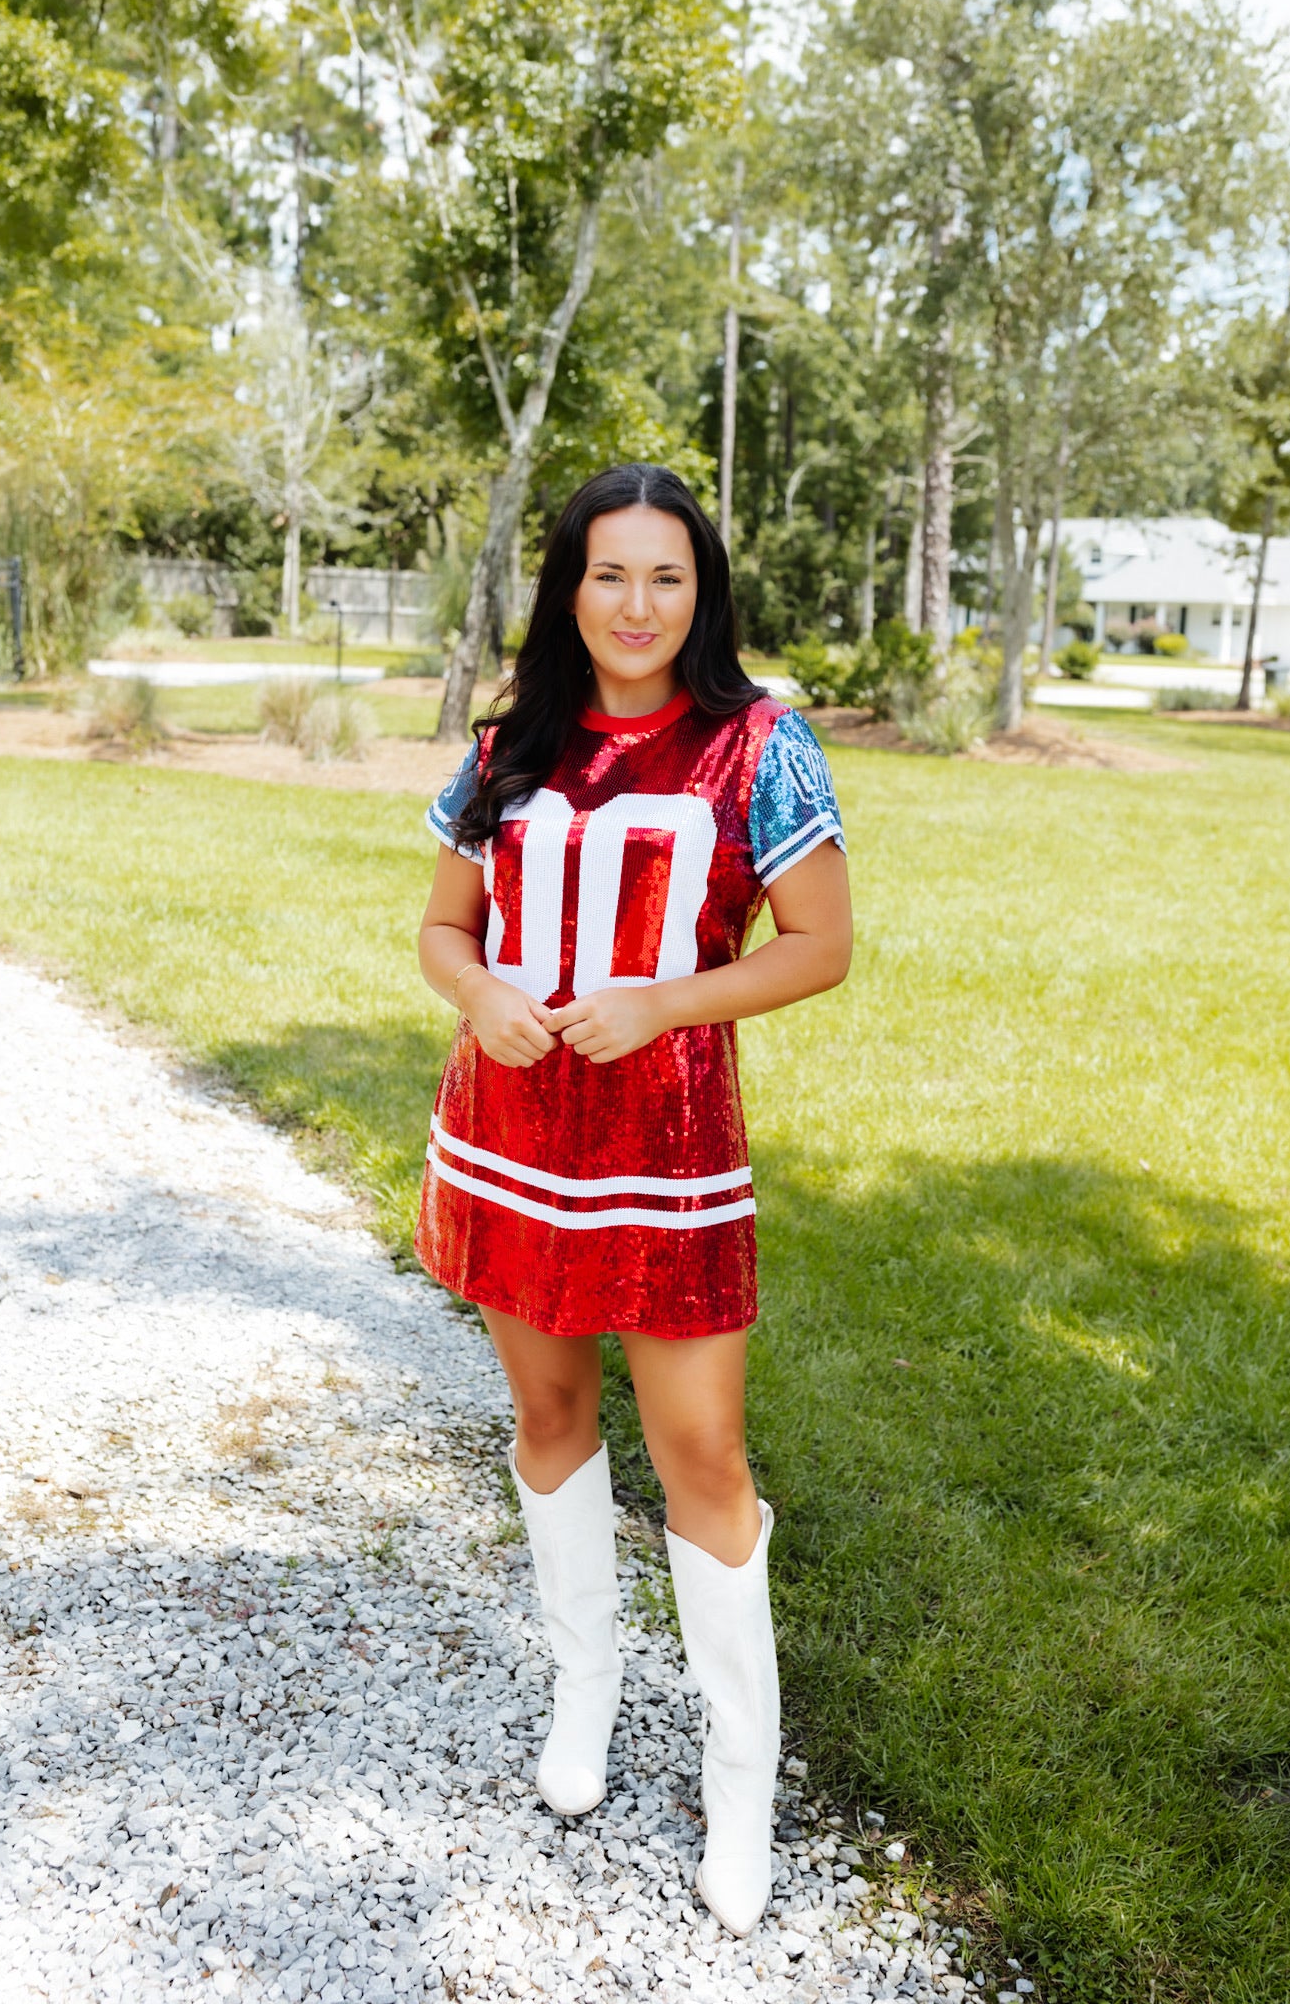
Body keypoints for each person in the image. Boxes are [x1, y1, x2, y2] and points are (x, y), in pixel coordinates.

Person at [415, 462, 852, 1937]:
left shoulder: (756, 744)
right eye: (610, 573)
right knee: (548, 1421)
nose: (637, 604)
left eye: (667, 577)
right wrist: (477, 995)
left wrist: (666, 1002)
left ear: (701, 591)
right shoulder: (510, 738)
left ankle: (740, 1787)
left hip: (666, 1157)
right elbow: (442, 927)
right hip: (511, 1137)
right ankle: (584, 1699)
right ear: (568, 585)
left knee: (703, 1455)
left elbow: (816, 946)